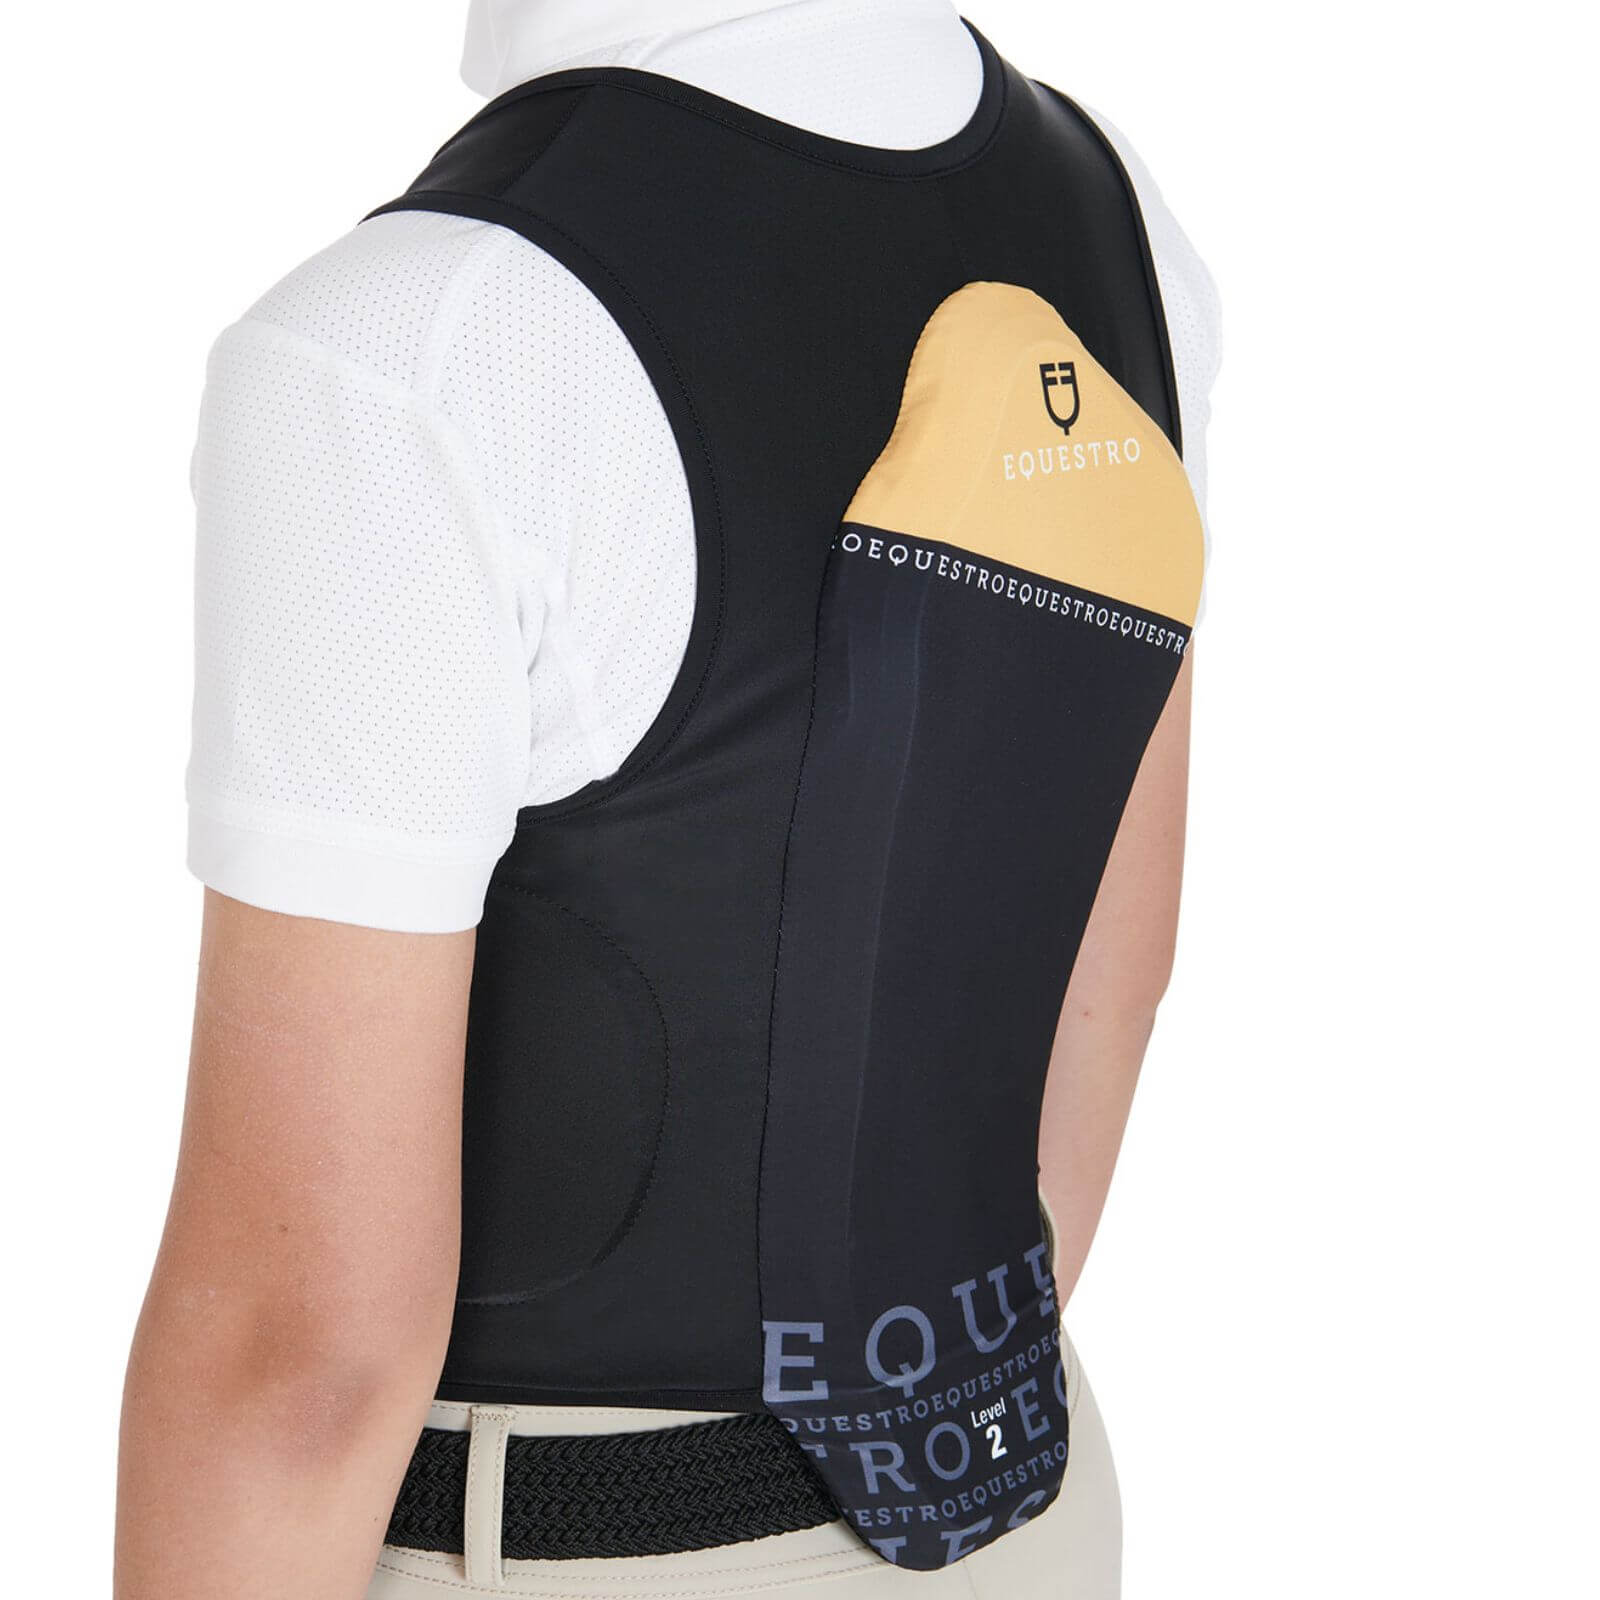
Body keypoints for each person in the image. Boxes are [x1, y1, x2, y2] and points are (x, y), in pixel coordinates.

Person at [114, 3, 1220, 1596]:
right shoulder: (1113, 218)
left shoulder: (419, 347)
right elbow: (1106, 975)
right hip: (1024, 1511)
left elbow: (298, 1367)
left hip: (592, 1541)